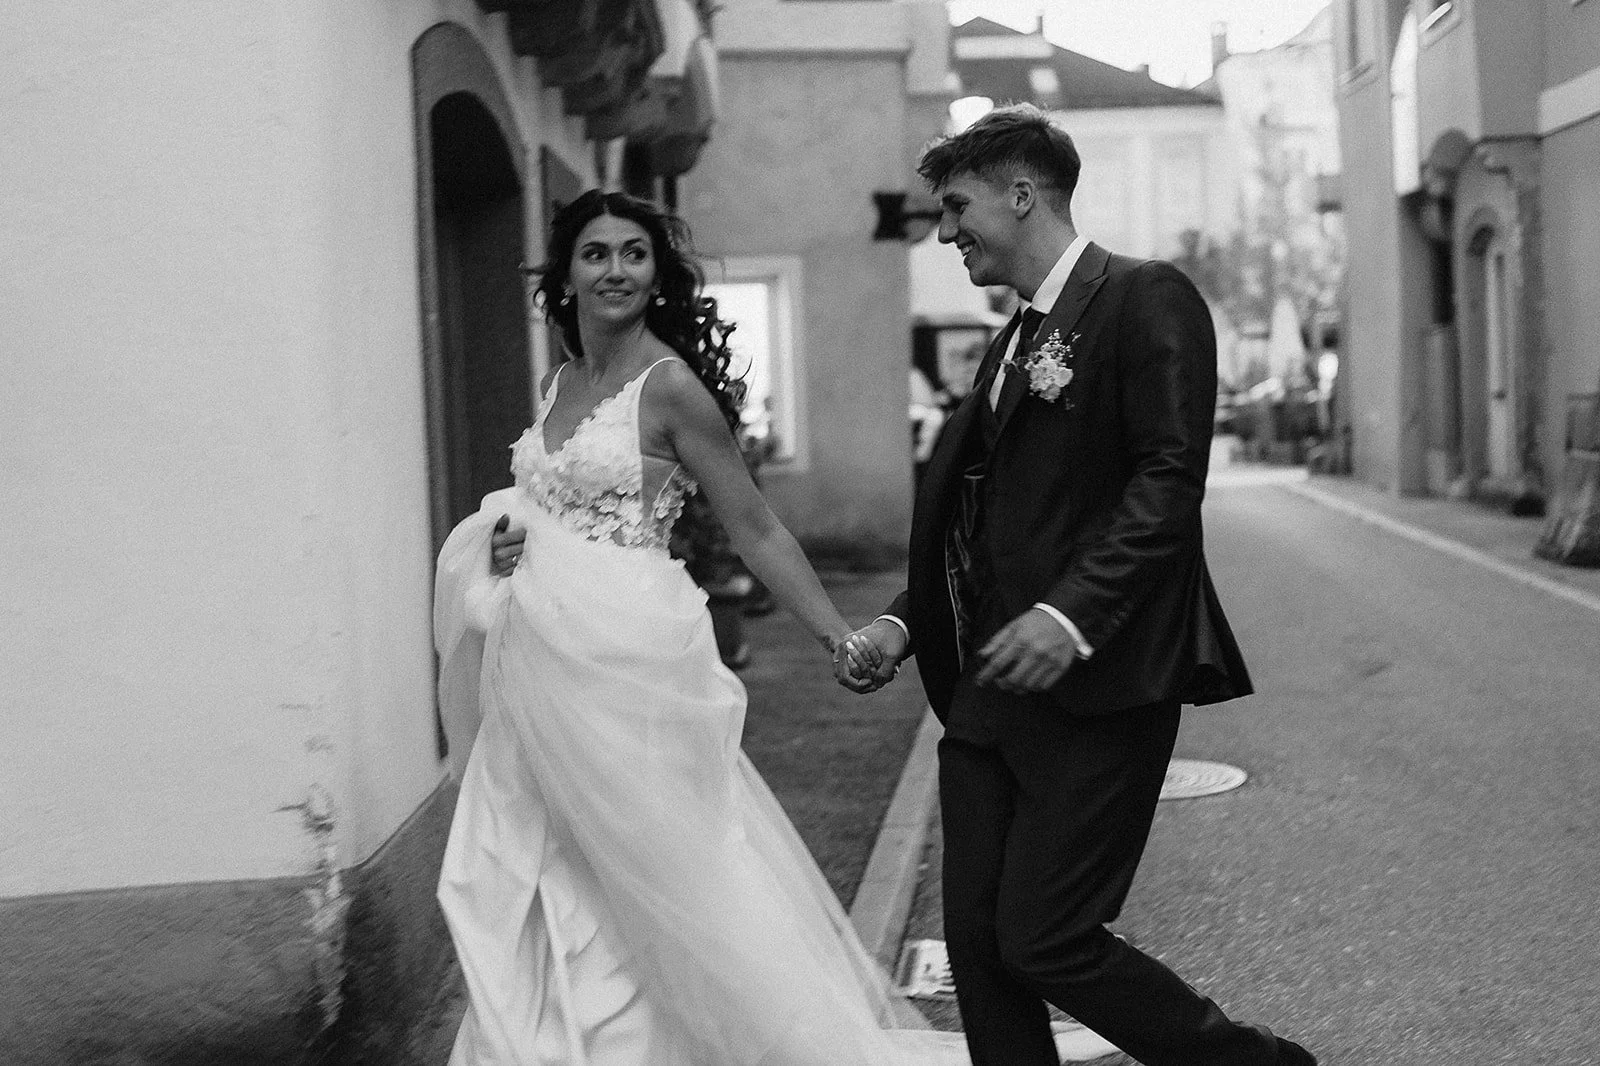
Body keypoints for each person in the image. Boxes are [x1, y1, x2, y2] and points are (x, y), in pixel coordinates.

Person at [432, 190, 979, 1065]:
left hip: (632, 659)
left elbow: (754, 526)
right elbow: (548, 505)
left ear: (657, 276)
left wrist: (837, 632)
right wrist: (501, 544)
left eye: (635, 254)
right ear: (566, 275)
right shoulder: (557, 383)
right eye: (597, 253)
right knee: (520, 857)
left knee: (652, 861)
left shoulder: (672, 387)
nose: (616, 269)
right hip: (536, 657)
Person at [839, 105, 1318, 1066]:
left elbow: (1168, 482)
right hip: (984, 696)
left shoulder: (1147, 300)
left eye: (958, 206)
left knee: (1046, 936)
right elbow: (989, 517)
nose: (945, 231)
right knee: (979, 951)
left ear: (1023, 194)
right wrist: (904, 621)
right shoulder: (1015, 338)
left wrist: (1070, 614)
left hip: (1101, 684)